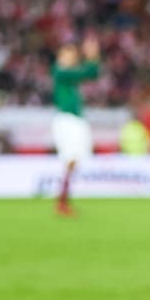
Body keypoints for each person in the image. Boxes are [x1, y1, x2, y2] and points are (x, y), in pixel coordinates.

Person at [50, 37, 101, 216]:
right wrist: (92, 57)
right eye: (68, 54)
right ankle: (62, 201)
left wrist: (93, 57)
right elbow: (87, 72)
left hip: (76, 120)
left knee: (75, 160)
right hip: (67, 120)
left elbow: (92, 74)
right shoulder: (59, 71)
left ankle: (63, 199)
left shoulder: (68, 74)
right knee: (70, 159)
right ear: (61, 55)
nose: (72, 58)